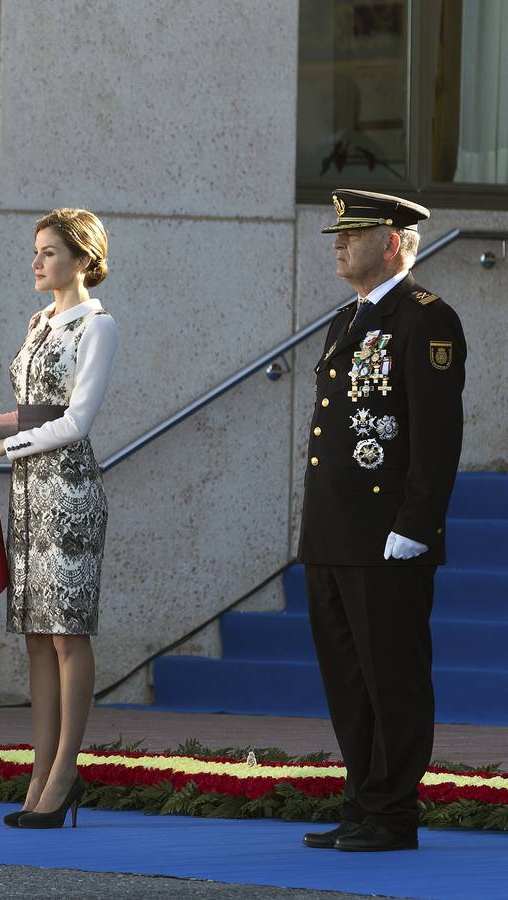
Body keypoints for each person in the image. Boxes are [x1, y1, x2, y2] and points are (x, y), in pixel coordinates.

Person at [300, 190, 466, 852]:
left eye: (354, 233)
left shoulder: (427, 319)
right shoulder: (348, 318)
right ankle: (362, 802)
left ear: (393, 242)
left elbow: (437, 436)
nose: (338, 243)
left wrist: (416, 525)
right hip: (334, 531)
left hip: (389, 536)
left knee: (391, 675)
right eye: (337, 235)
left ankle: (393, 814)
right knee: (348, 678)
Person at [0, 208, 118, 829]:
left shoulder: (98, 323)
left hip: (69, 490)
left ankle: (64, 776)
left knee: (67, 633)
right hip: (29, 492)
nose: (37, 262)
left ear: (83, 260)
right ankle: (39, 775)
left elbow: (75, 421)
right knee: (36, 635)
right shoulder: (39, 321)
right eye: (36, 251)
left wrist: (2, 447)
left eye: (50, 252)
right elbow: (31, 413)